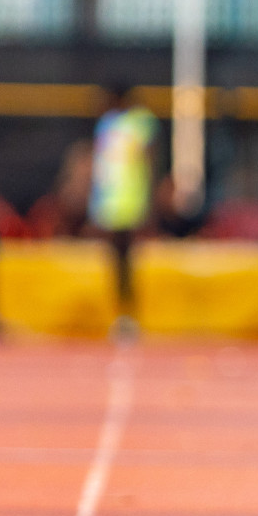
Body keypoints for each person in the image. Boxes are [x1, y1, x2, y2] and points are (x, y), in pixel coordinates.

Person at [89, 84, 159, 336]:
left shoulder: (141, 122)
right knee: (116, 263)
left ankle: (132, 316)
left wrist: (150, 202)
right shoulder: (107, 123)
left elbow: (149, 162)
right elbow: (102, 166)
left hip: (133, 201)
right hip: (111, 202)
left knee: (130, 262)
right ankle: (120, 315)